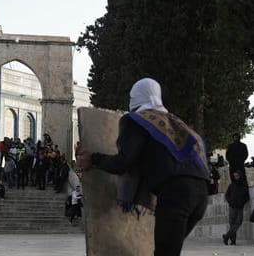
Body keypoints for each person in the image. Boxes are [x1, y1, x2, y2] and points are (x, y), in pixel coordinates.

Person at [76, 78, 210, 256]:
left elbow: (123, 162)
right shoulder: (177, 123)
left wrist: (94, 159)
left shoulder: (136, 120)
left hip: (176, 195)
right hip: (201, 196)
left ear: (135, 97)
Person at [222, 170, 250, 246]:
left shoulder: (244, 185)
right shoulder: (232, 185)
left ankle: (226, 236)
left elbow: (247, 197)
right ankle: (233, 241)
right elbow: (227, 195)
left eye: (237, 176)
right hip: (232, 207)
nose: (236, 177)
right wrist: (230, 201)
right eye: (235, 176)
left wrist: (242, 203)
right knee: (232, 224)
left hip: (240, 207)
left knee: (238, 223)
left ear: (240, 176)